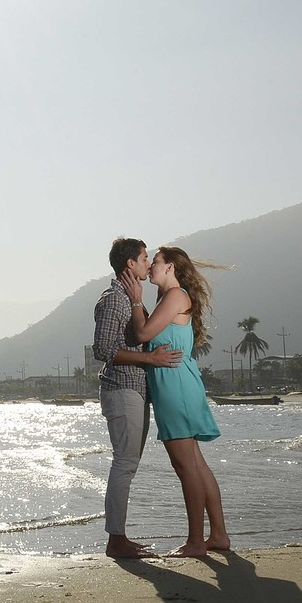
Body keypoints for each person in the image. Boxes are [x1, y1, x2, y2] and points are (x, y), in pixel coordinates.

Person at [119, 246, 230, 558]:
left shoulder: (175, 296)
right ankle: (218, 535)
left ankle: (196, 542)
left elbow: (142, 334)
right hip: (176, 384)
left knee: (185, 466)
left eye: (155, 262)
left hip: (176, 386)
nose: (151, 266)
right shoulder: (170, 297)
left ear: (169, 268)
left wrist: (136, 299)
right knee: (195, 464)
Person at [93, 237, 183, 559]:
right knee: (124, 463)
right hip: (122, 389)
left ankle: (119, 537)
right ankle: (116, 540)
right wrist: (151, 359)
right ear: (130, 264)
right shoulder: (114, 300)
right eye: (145, 258)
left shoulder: (130, 298)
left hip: (133, 391)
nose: (148, 264)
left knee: (126, 463)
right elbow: (102, 351)